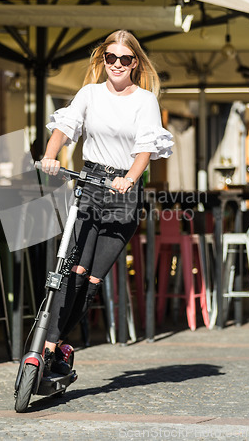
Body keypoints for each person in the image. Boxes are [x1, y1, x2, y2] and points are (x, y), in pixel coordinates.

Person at [39, 29, 174, 375]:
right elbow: (66, 128)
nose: (117, 64)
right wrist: (50, 156)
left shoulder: (145, 100)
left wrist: (129, 178)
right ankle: (50, 346)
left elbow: (145, 148)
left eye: (124, 59)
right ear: (103, 60)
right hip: (91, 183)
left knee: (93, 278)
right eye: (110, 58)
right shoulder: (89, 94)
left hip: (123, 192)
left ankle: (61, 344)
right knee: (73, 269)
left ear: (135, 63)